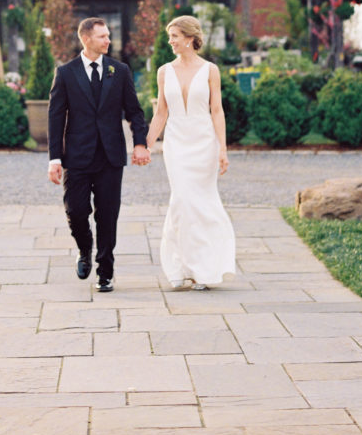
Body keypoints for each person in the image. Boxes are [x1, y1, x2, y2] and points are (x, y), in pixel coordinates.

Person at [48, 17, 149, 293]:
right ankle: (85, 249)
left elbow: (135, 111)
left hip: (110, 157)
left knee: (107, 215)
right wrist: (54, 159)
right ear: (86, 39)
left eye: (108, 35)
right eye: (102, 36)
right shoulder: (65, 73)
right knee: (76, 211)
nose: (108, 41)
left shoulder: (120, 71)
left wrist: (140, 143)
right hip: (77, 157)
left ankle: (105, 271)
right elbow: (56, 118)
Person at [146, 15, 235, 290]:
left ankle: (202, 269)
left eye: (174, 36)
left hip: (204, 143)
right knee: (182, 200)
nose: (170, 41)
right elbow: (161, 113)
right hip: (176, 144)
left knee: (201, 203)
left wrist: (223, 148)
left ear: (189, 38)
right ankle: (179, 266)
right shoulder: (164, 71)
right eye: (170, 36)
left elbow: (217, 111)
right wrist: (145, 145)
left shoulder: (210, 70)